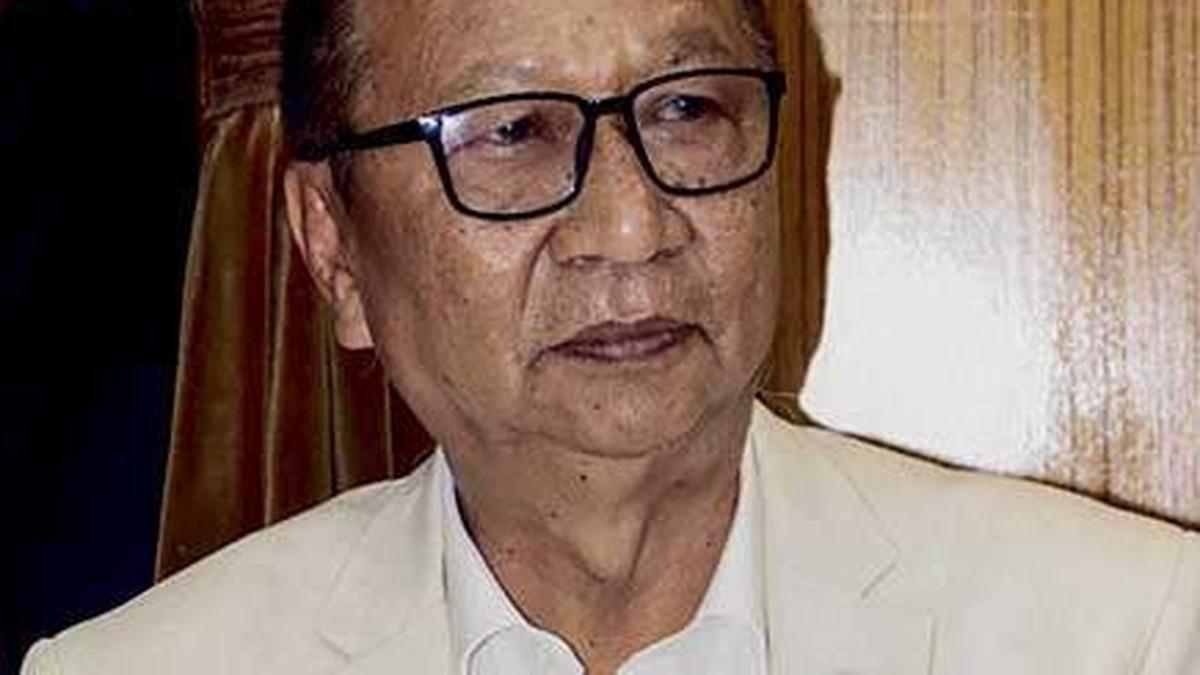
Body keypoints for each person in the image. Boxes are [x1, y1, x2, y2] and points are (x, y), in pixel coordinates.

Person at [21, 0, 1200, 673]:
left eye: (687, 109)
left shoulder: (1124, 633)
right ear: (333, 247)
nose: (631, 229)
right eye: (511, 131)